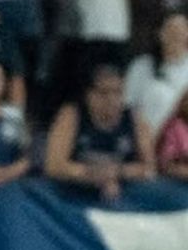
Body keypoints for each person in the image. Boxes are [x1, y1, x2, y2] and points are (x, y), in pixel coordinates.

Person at [45, 61, 156, 201]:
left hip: (122, 196)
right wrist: (93, 175)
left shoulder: (134, 119)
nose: (112, 99)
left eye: (118, 92)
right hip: (75, 195)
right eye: (104, 93)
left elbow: (149, 168)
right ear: (89, 95)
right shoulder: (71, 115)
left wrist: (117, 172)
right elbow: (54, 166)